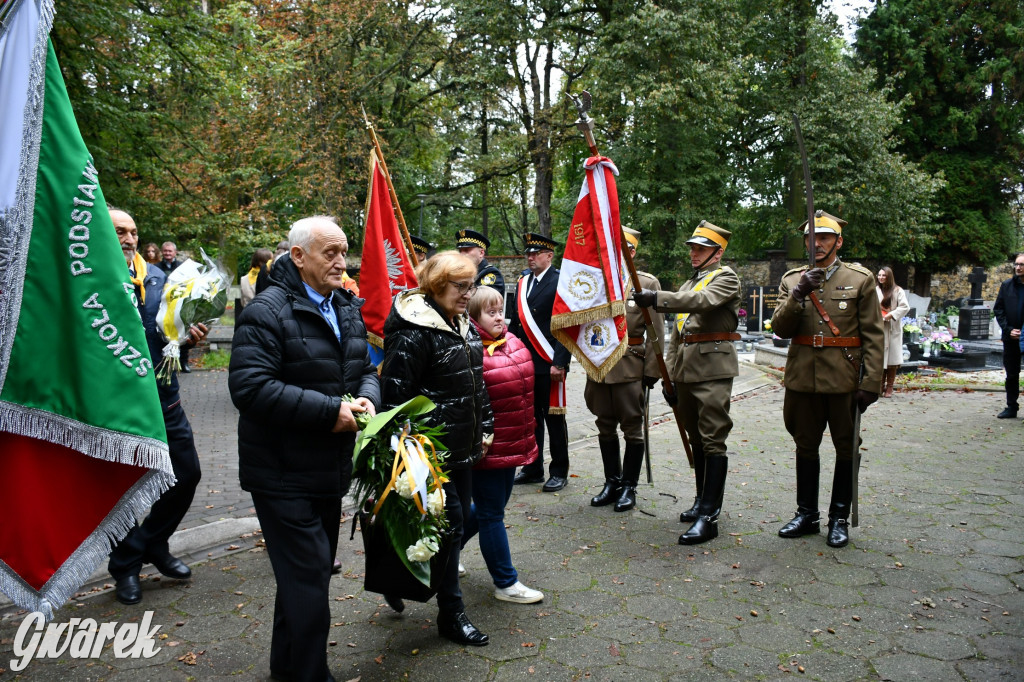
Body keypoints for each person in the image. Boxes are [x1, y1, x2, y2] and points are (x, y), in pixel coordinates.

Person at [229, 216, 380, 682]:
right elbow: (250, 388)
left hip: (327, 469)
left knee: (303, 579)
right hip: (280, 472)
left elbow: (365, 369)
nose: (341, 262)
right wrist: (328, 412)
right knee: (311, 580)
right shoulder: (267, 311)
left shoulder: (347, 306)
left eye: (344, 252)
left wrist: (368, 398)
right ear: (298, 257)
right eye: (329, 253)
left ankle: (286, 667)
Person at [379, 251, 494, 646]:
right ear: (435, 284)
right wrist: (410, 451)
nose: (468, 294)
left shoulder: (461, 320)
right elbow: (394, 397)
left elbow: (476, 381)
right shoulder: (413, 329)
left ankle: (395, 578)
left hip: (463, 445)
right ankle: (451, 613)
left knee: (450, 525)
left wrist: (487, 425)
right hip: (429, 452)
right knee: (451, 526)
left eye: (471, 286)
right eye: (460, 286)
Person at [106, 208, 206, 605]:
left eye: (132, 231)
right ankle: (125, 568)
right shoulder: (92, 282)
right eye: (119, 232)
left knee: (187, 474)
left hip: (166, 398)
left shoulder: (159, 278)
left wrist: (188, 339)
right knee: (130, 489)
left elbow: (170, 338)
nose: (129, 239)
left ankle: (153, 544)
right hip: (119, 405)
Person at [770, 210, 883, 548]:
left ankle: (839, 518)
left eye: (824, 238)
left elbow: (874, 336)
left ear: (838, 241)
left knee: (846, 448)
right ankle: (807, 514)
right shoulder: (793, 280)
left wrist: (871, 382)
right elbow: (780, 328)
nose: (816, 243)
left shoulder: (860, 279)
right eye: (811, 238)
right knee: (805, 446)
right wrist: (798, 295)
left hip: (844, 378)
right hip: (802, 377)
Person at [634, 221, 740, 543]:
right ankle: (700, 502)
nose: (694, 253)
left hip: (713, 368)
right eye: (692, 247)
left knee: (712, 439)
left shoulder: (726, 278)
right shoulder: (687, 283)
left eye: (701, 248)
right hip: (686, 370)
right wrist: (670, 375)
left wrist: (655, 298)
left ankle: (710, 516)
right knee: (696, 438)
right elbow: (677, 337)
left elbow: (702, 302)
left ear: (718, 252)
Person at [461, 286, 544, 604]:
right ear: (474, 317)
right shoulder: (470, 350)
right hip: (489, 448)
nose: (498, 317)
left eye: (500, 310)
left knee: (486, 509)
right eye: (490, 312)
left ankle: (446, 549)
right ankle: (505, 583)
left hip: (513, 443)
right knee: (492, 513)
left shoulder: (510, 341)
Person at [587, 228, 663, 513]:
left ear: (632, 252)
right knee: (604, 424)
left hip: (630, 365)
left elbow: (656, 330)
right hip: (598, 365)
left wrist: (653, 369)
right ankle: (612, 482)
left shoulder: (644, 283)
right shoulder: (592, 282)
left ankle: (629, 486)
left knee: (632, 427)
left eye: (623, 249)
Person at [508, 233, 572, 492]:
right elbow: (516, 324)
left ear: (549, 255)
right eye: (528, 254)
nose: (531, 257)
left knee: (554, 419)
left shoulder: (560, 282)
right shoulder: (523, 282)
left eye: (536, 253)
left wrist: (560, 362)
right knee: (530, 418)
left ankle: (559, 471)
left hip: (549, 362)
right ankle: (533, 467)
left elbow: (566, 325)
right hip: (525, 363)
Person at [993, 253, 1024, 419]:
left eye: (1022, 265)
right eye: (1016, 264)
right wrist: (1008, 329)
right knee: (1011, 374)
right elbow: (999, 309)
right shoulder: (1007, 285)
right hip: (1011, 337)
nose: (1018, 267)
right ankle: (1011, 406)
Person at [875, 266, 910, 397]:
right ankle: (880, 385)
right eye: (879, 275)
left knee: (892, 360)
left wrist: (891, 314)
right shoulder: (876, 290)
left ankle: (889, 387)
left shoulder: (897, 290)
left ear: (889, 277)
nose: (881, 277)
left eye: (884, 275)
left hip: (892, 328)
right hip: (880, 327)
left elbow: (905, 307)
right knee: (880, 359)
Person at [456, 228, 505, 292]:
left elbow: (482, 301)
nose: (461, 254)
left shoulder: (491, 274)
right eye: (460, 251)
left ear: (481, 253)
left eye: (466, 250)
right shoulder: (460, 273)